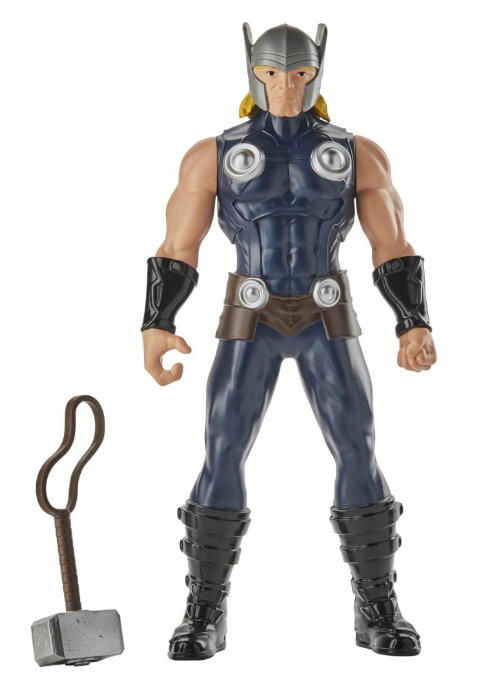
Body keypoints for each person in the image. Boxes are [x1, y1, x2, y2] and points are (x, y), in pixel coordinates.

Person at [141, 23, 437, 660]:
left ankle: (378, 606)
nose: (285, 86)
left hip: (327, 310)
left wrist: (412, 320)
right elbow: (178, 246)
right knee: (223, 449)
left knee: (358, 446)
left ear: (317, 72)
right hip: (251, 311)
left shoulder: (357, 153)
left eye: (299, 73)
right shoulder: (213, 154)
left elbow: (391, 243)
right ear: (252, 73)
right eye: (272, 73)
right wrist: (158, 322)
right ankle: (204, 609)